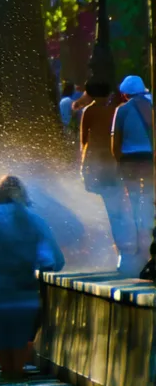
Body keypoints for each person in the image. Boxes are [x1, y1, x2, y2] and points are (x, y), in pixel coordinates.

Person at [0, 176, 64, 378]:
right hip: (26, 298)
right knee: (20, 365)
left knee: (5, 370)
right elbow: (56, 261)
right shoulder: (36, 220)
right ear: (24, 196)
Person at [80, 80, 130, 274]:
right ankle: (123, 249)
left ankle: (111, 248)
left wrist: (83, 167)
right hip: (114, 162)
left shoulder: (89, 111)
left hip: (96, 162)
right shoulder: (114, 110)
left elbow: (84, 140)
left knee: (104, 208)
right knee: (118, 205)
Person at [112, 75, 154, 277]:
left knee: (135, 200)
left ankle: (140, 243)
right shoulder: (151, 106)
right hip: (149, 160)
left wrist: (118, 161)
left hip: (129, 160)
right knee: (151, 198)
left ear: (125, 93)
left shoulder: (122, 110)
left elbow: (115, 141)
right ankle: (149, 238)